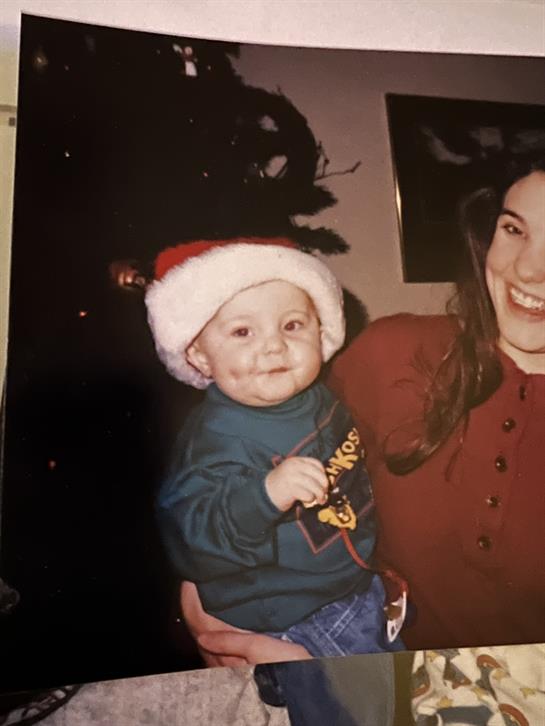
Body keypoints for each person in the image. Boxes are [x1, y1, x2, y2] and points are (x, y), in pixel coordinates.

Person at [182, 154, 545, 671]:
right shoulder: (390, 351)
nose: (529, 268)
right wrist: (201, 590)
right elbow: (240, 449)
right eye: (515, 229)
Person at [145, 237, 405, 660]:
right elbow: (191, 538)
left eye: (292, 325)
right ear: (200, 355)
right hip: (291, 619)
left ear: (321, 333)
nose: (273, 345)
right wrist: (265, 495)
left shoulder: (319, 399)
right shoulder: (216, 437)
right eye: (242, 331)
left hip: (357, 587)